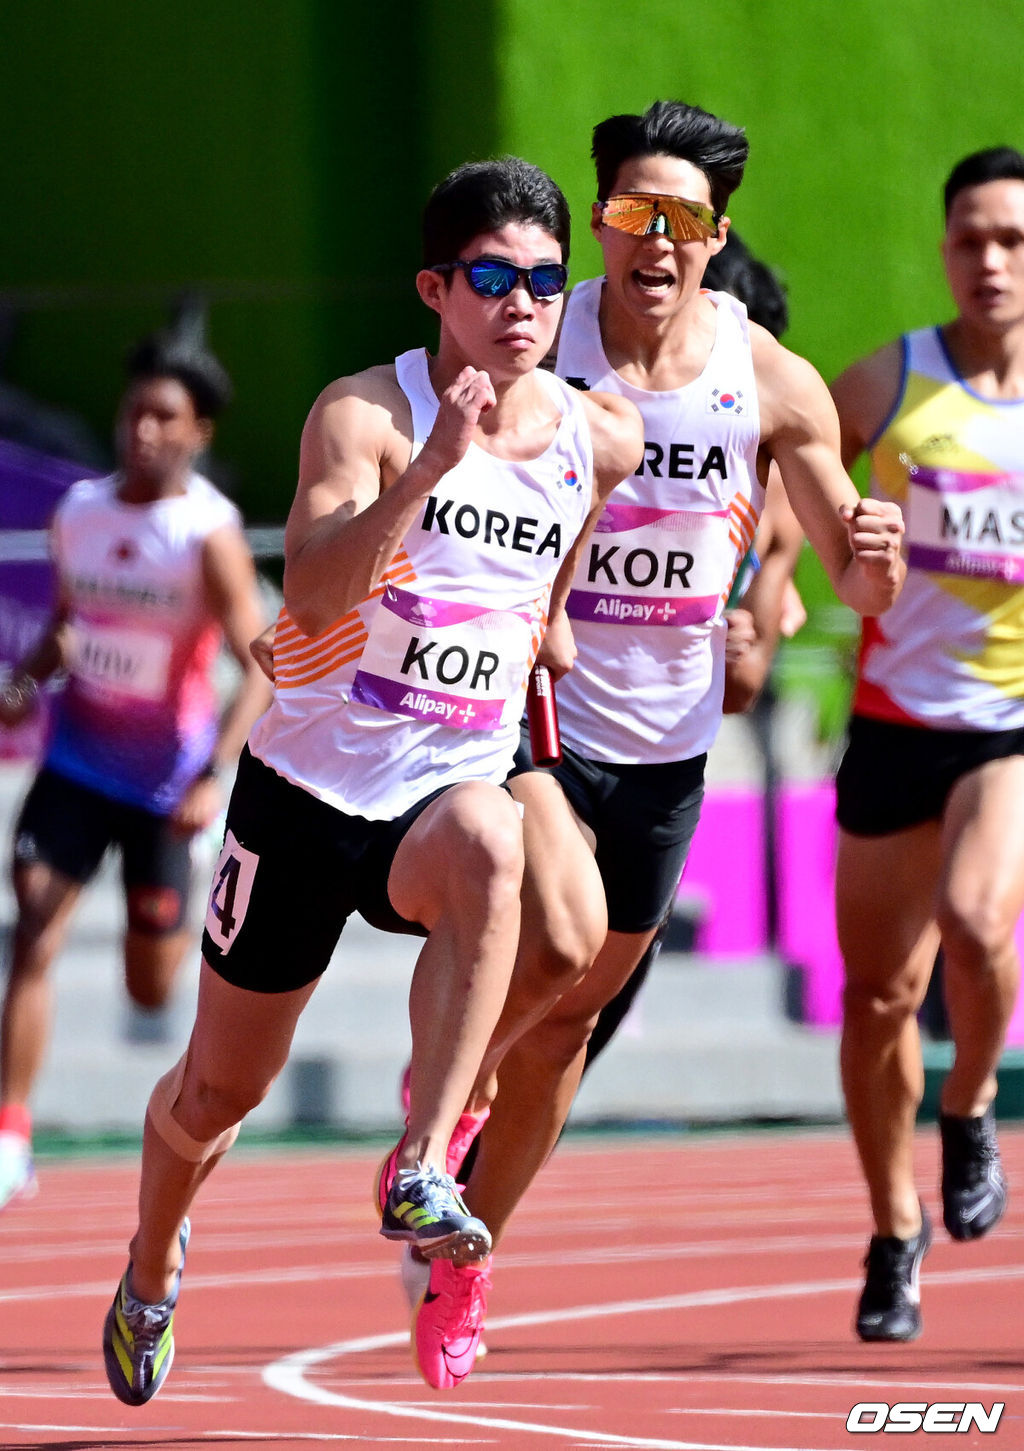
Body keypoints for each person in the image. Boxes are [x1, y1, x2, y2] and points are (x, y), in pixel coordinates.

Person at [100, 156, 643, 1408]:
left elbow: (547, 585)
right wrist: (430, 470)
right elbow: (315, 591)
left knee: (496, 846)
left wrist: (545, 639)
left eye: (545, 282)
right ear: (435, 290)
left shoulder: (593, 437)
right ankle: (150, 1260)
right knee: (217, 1091)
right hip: (301, 795)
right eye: (493, 279)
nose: (522, 304)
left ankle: (419, 1158)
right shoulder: (366, 414)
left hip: (437, 789)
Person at [407, 100, 906, 1388]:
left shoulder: (769, 379)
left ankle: (467, 1256)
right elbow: (429, 433)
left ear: (713, 235)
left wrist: (872, 562)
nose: (655, 239)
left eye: (682, 219)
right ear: (603, 224)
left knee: (570, 1026)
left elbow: (853, 581)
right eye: (632, 212)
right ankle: (443, 1101)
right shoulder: (541, 328)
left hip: (668, 745)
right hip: (530, 714)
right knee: (556, 935)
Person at [0, 329, 271, 1212]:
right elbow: (70, 624)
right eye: (134, 413)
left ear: (198, 435)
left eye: (165, 418)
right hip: (77, 759)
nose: (143, 431)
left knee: (148, 987)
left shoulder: (207, 534)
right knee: (34, 925)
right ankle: (10, 1133)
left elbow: (259, 662)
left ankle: (171, 891)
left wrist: (212, 777)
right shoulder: (79, 510)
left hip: (166, 781)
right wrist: (28, 680)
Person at [831, 145, 1024, 1343]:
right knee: (877, 997)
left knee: (975, 917)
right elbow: (797, 463)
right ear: (944, 248)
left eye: (1012, 239)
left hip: (1008, 725)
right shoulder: (893, 379)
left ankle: (969, 1100)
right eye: (971, 238)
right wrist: (771, 588)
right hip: (893, 725)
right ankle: (894, 1227)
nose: (990, 261)